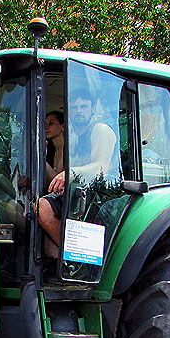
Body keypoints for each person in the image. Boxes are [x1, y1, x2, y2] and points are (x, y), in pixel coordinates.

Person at [37, 90, 118, 258]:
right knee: (38, 229)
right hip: (79, 195)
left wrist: (71, 173)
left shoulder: (100, 130)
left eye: (83, 106)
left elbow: (101, 167)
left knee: (43, 207)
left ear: (92, 109)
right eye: (74, 108)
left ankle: (82, 260)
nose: (78, 111)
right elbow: (58, 178)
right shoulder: (73, 141)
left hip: (103, 197)